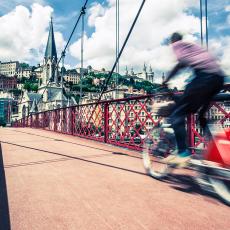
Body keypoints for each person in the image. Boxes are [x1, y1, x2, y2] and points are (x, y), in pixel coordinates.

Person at [163, 32, 225, 165]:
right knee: (202, 116)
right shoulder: (193, 47)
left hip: (205, 78)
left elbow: (181, 64)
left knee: (177, 114)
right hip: (218, 79)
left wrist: (166, 80)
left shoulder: (177, 45)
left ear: (173, 41)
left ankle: (183, 153)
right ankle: (216, 149)